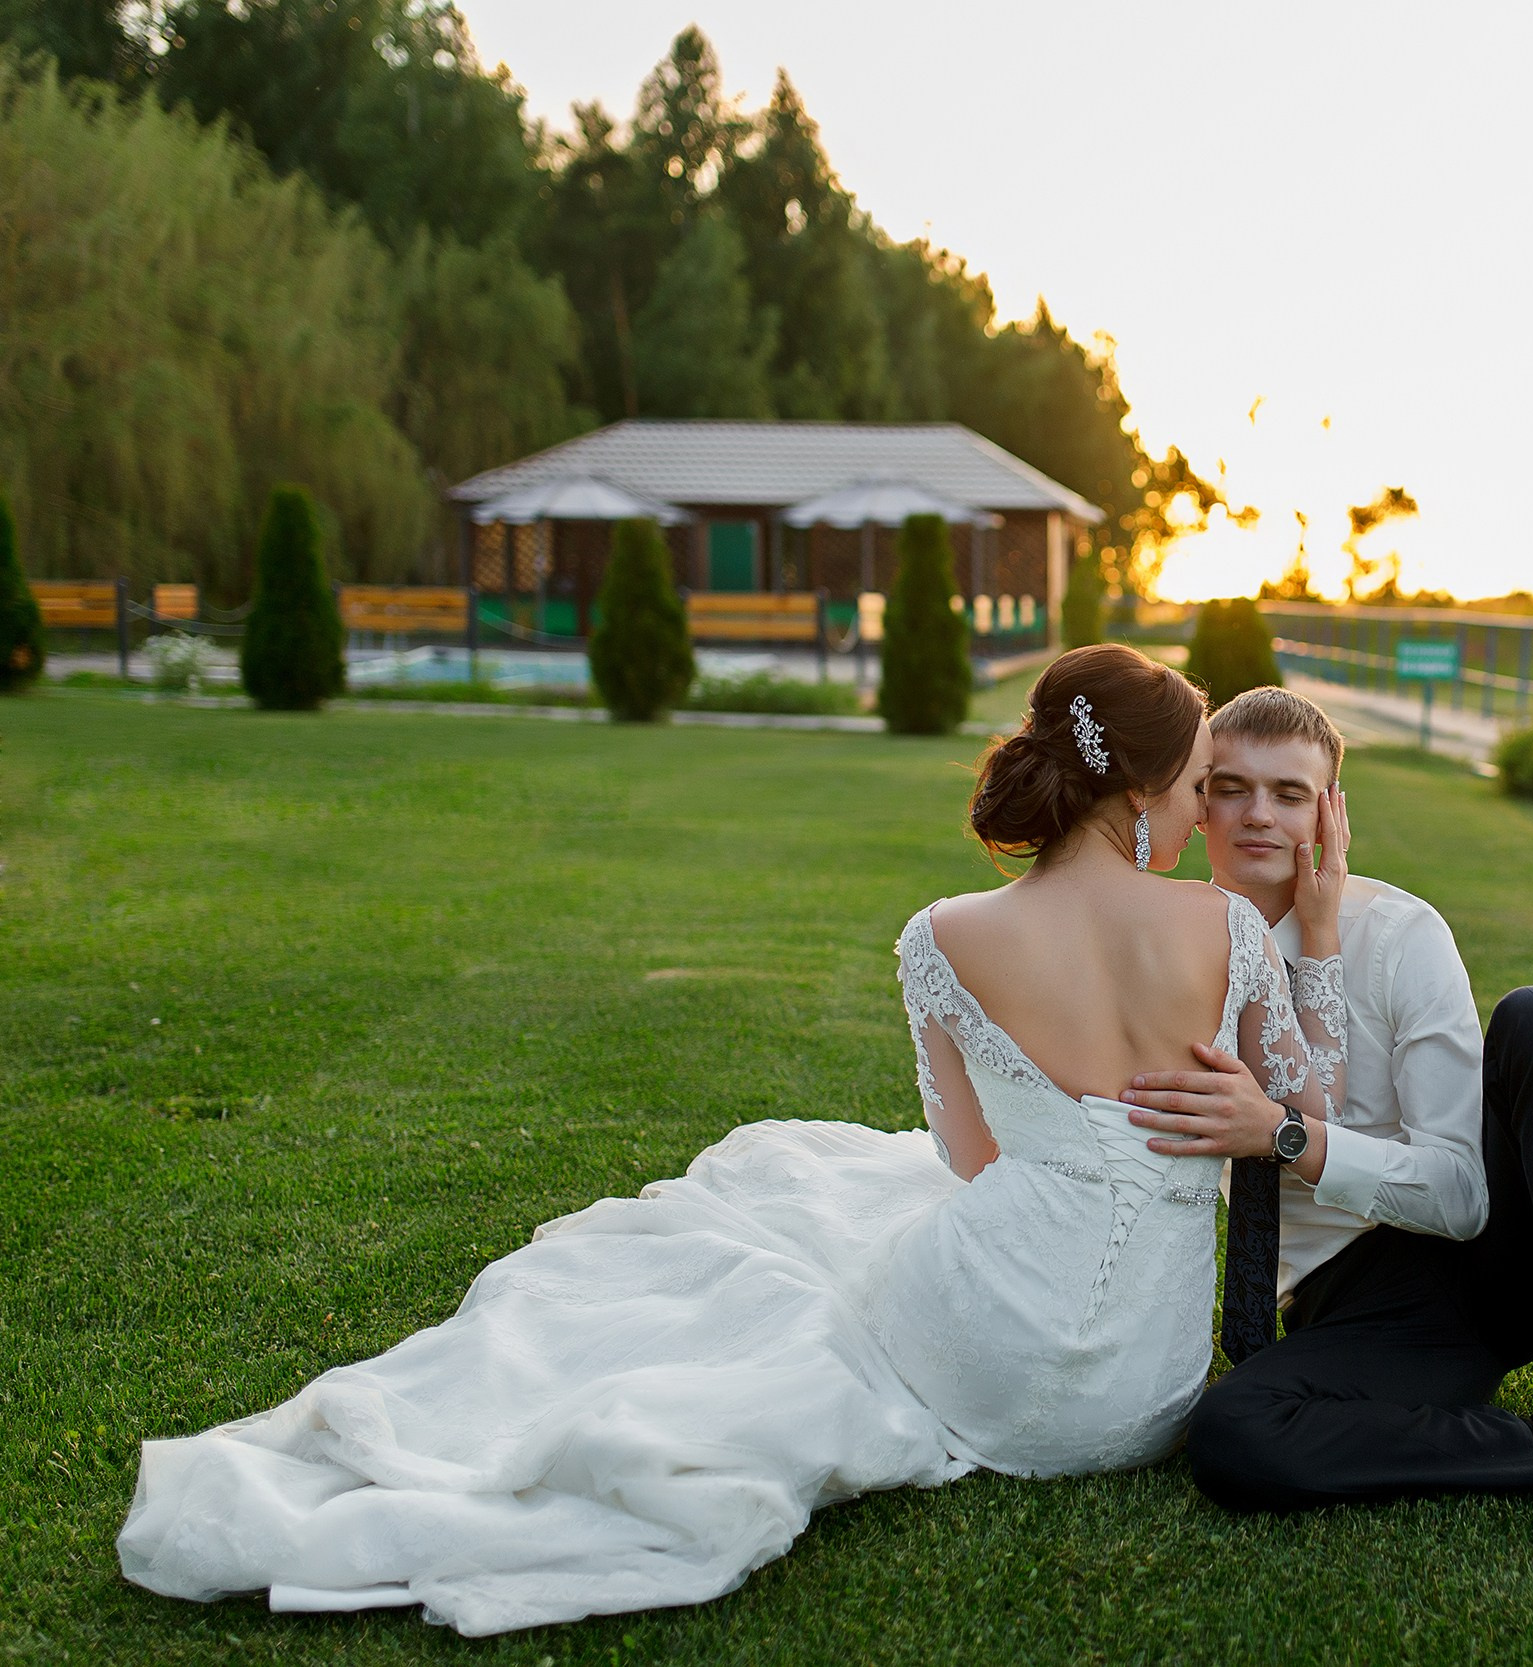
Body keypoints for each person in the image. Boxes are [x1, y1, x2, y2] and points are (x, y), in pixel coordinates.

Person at [116, 644, 1348, 1637]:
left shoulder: (943, 933)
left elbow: (968, 1164)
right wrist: (1324, 931)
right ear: (1137, 789)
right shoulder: (1228, 932)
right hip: (1143, 1393)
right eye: (1197, 782)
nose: (1206, 808)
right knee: (812, 1211)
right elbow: (1308, 1115)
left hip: (983, 1353)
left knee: (798, 1230)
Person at [1123, 687, 1533, 1571]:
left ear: (1331, 809)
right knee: (1234, 1434)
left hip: (1492, 1264)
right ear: (1198, 805)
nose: (1258, 815)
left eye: (1289, 792)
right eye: (1231, 787)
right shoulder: (1168, 950)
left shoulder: (1397, 934)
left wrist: (1283, 1134)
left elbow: (1464, 1196)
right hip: (1354, 1307)